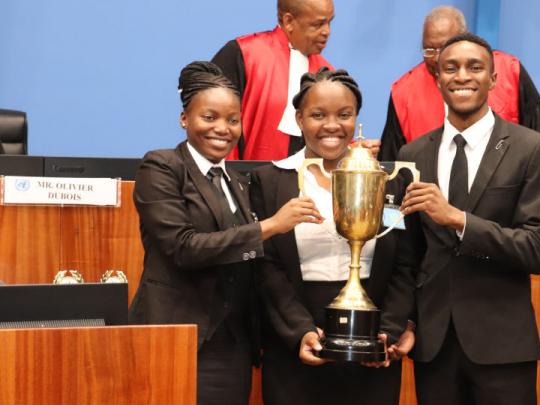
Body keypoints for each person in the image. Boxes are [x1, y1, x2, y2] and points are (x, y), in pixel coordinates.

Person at [129, 61, 323, 405]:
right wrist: (270, 226)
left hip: (233, 343)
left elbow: (254, 261)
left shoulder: (238, 182)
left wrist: (299, 329)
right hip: (178, 338)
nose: (223, 128)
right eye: (210, 117)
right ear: (184, 118)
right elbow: (183, 248)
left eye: (233, 120)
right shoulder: (161, 167)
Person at [398, 33, 540, 405]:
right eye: (450, 68)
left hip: (502, 345)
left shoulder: (531, 149)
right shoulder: (413, 153)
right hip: (434, 345)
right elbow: (408, 254)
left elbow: (537, 249)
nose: (462, 76)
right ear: (437, 78)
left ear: (493, 78)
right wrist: (404, 321)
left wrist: (458, 220)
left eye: (475, 67)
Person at [250, 67, 417, 405]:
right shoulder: (270, 181)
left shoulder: (386, 183)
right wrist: (300, 332)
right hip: (295, 341)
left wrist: (388, 331)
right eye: (317, 115)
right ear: (299, 119)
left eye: (344, 115)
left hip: (372, 341)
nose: (331, 125)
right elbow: (266, 268)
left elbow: (403, 261)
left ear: (356, 118)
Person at [378, 5, 540, 162]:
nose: (439, 58)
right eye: (429, 50)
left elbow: (538, 142)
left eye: (447, 46)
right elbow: (394, 165)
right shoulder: (403, 92)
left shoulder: (510, 71)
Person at [211, 0, 334, 161]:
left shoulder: (327, 72)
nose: (327, 32)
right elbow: (212, 122)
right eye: (318, 24)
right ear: (288, 21)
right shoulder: (244, 53)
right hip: (240, 177)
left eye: (329, 22)